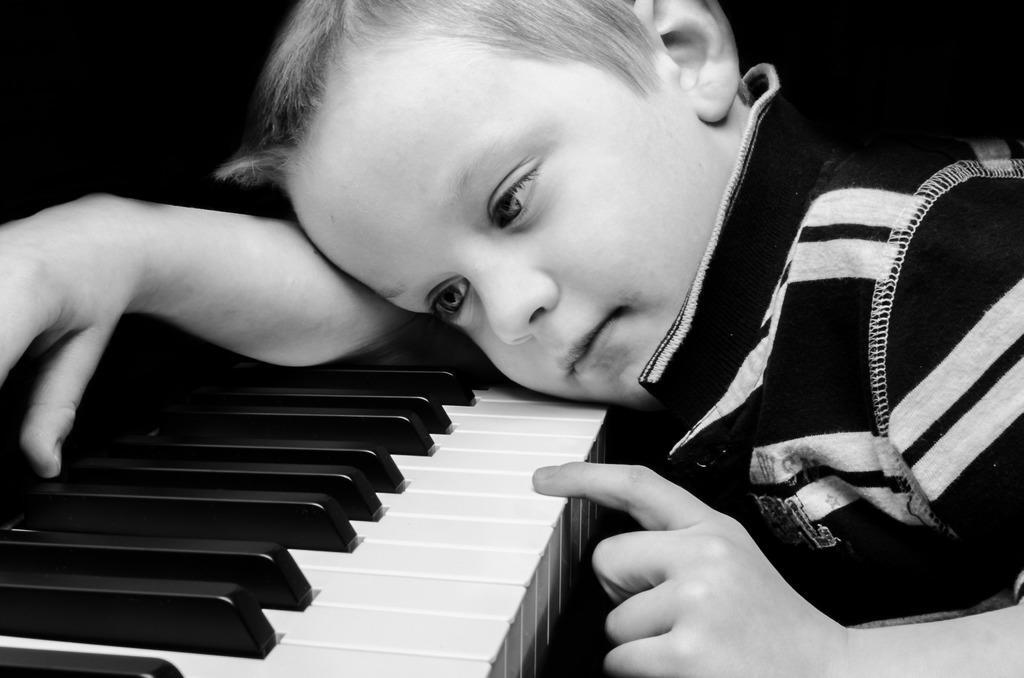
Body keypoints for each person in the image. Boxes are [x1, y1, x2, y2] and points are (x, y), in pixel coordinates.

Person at [1, 0, 1023, 675]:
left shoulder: (920, 272)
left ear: (683, 56)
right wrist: (113, 247)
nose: (505, 315)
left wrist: (830, 663)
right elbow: (366, 316)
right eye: (448, 295)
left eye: (510, 202)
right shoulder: (679, 294)